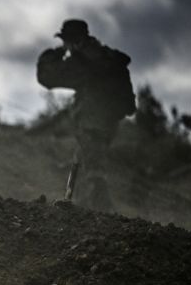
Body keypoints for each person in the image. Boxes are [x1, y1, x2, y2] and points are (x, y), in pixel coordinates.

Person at [36, 19, 136, 211]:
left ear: (73, 41)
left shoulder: (85, 62)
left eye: (66, 41)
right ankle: (86, 210)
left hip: (91, 123)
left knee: (93, 172)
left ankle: (101, 215)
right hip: (108, 123)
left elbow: (47, 77)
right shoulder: (107, 57)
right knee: (88, 166)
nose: (64, 46)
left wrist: (57, 53)